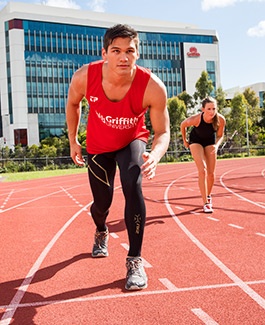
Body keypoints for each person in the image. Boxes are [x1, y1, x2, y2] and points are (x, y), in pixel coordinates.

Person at [66, 24, 170, 290]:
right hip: (99, 146)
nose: (123, 57)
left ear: (138, 53)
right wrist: (74, 140)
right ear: (105, 53)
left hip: (132, 141)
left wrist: (156, 155)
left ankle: (134, 260)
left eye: (130, 51)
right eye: (116, 51)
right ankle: (101, 230)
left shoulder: (153, 87)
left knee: (133, 185)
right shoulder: (84, 77)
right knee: (102, 204)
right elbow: (73, 103)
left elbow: (163, 132)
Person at [180, 97, 226, 213]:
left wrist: (217, 145)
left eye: (214, 109)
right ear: (203, 109)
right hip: (196, 141)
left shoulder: (221, 119)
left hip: (210, 142)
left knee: (211, 174)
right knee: (203, 170)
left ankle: (208, 195)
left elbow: (220, 135)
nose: (211, 111)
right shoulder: (196, 119)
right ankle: (206, 203)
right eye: (209, 109)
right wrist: (185, 141)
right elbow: (183, 125)